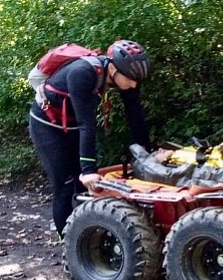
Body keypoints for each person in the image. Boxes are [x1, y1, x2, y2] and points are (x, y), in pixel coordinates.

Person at [27, 39, 153, 238]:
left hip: (73, 122)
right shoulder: (83, 73)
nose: (134, 84)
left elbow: (134, 115)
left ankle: (88, 238)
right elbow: (88, 125)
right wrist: (89, 171)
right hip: (47, 125)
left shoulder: (130, 78)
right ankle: (68, 244)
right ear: (113, 68)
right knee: (65, 184)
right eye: (131, 79)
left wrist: (147, 154)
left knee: (83, 187)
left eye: (138, 80)